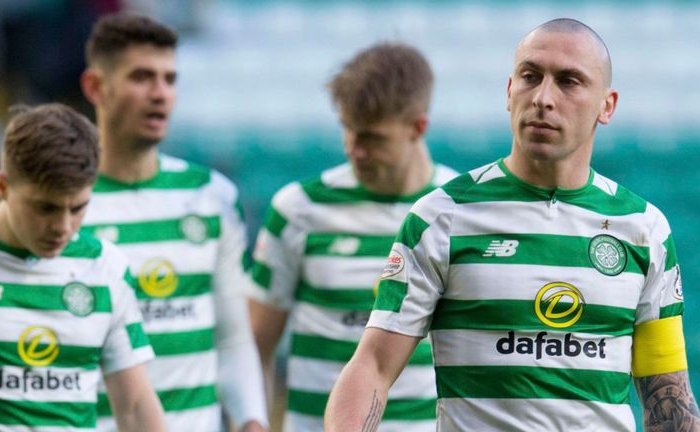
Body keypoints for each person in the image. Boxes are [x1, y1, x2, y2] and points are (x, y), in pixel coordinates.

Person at [325, 18, 700, 432]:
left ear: (606, 106)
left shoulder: (644, 228)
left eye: (569, 82)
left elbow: (668, 396)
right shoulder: (442, 218)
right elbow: (373, 366)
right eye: (530, 76)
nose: (542, 98)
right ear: (509, 91)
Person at [247, 42, 458, 431]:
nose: (353, 149)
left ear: (418, 127)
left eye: (372, 138)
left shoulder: (461, 212)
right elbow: (254, 348)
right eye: (347, 130)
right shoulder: (299, 209)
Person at [79, 13, 268, 432]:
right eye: (141, 77)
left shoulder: (213, 196)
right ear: (95, 87)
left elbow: (233, 338)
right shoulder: (65, 206)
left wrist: (251, 419)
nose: (160, 93)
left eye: (170, 79)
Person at [0, 103, 166, 431]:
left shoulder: (105, 267)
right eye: (46, 208)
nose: (63, 227)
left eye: (78, 208)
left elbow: (136, 406)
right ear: (2, 186)